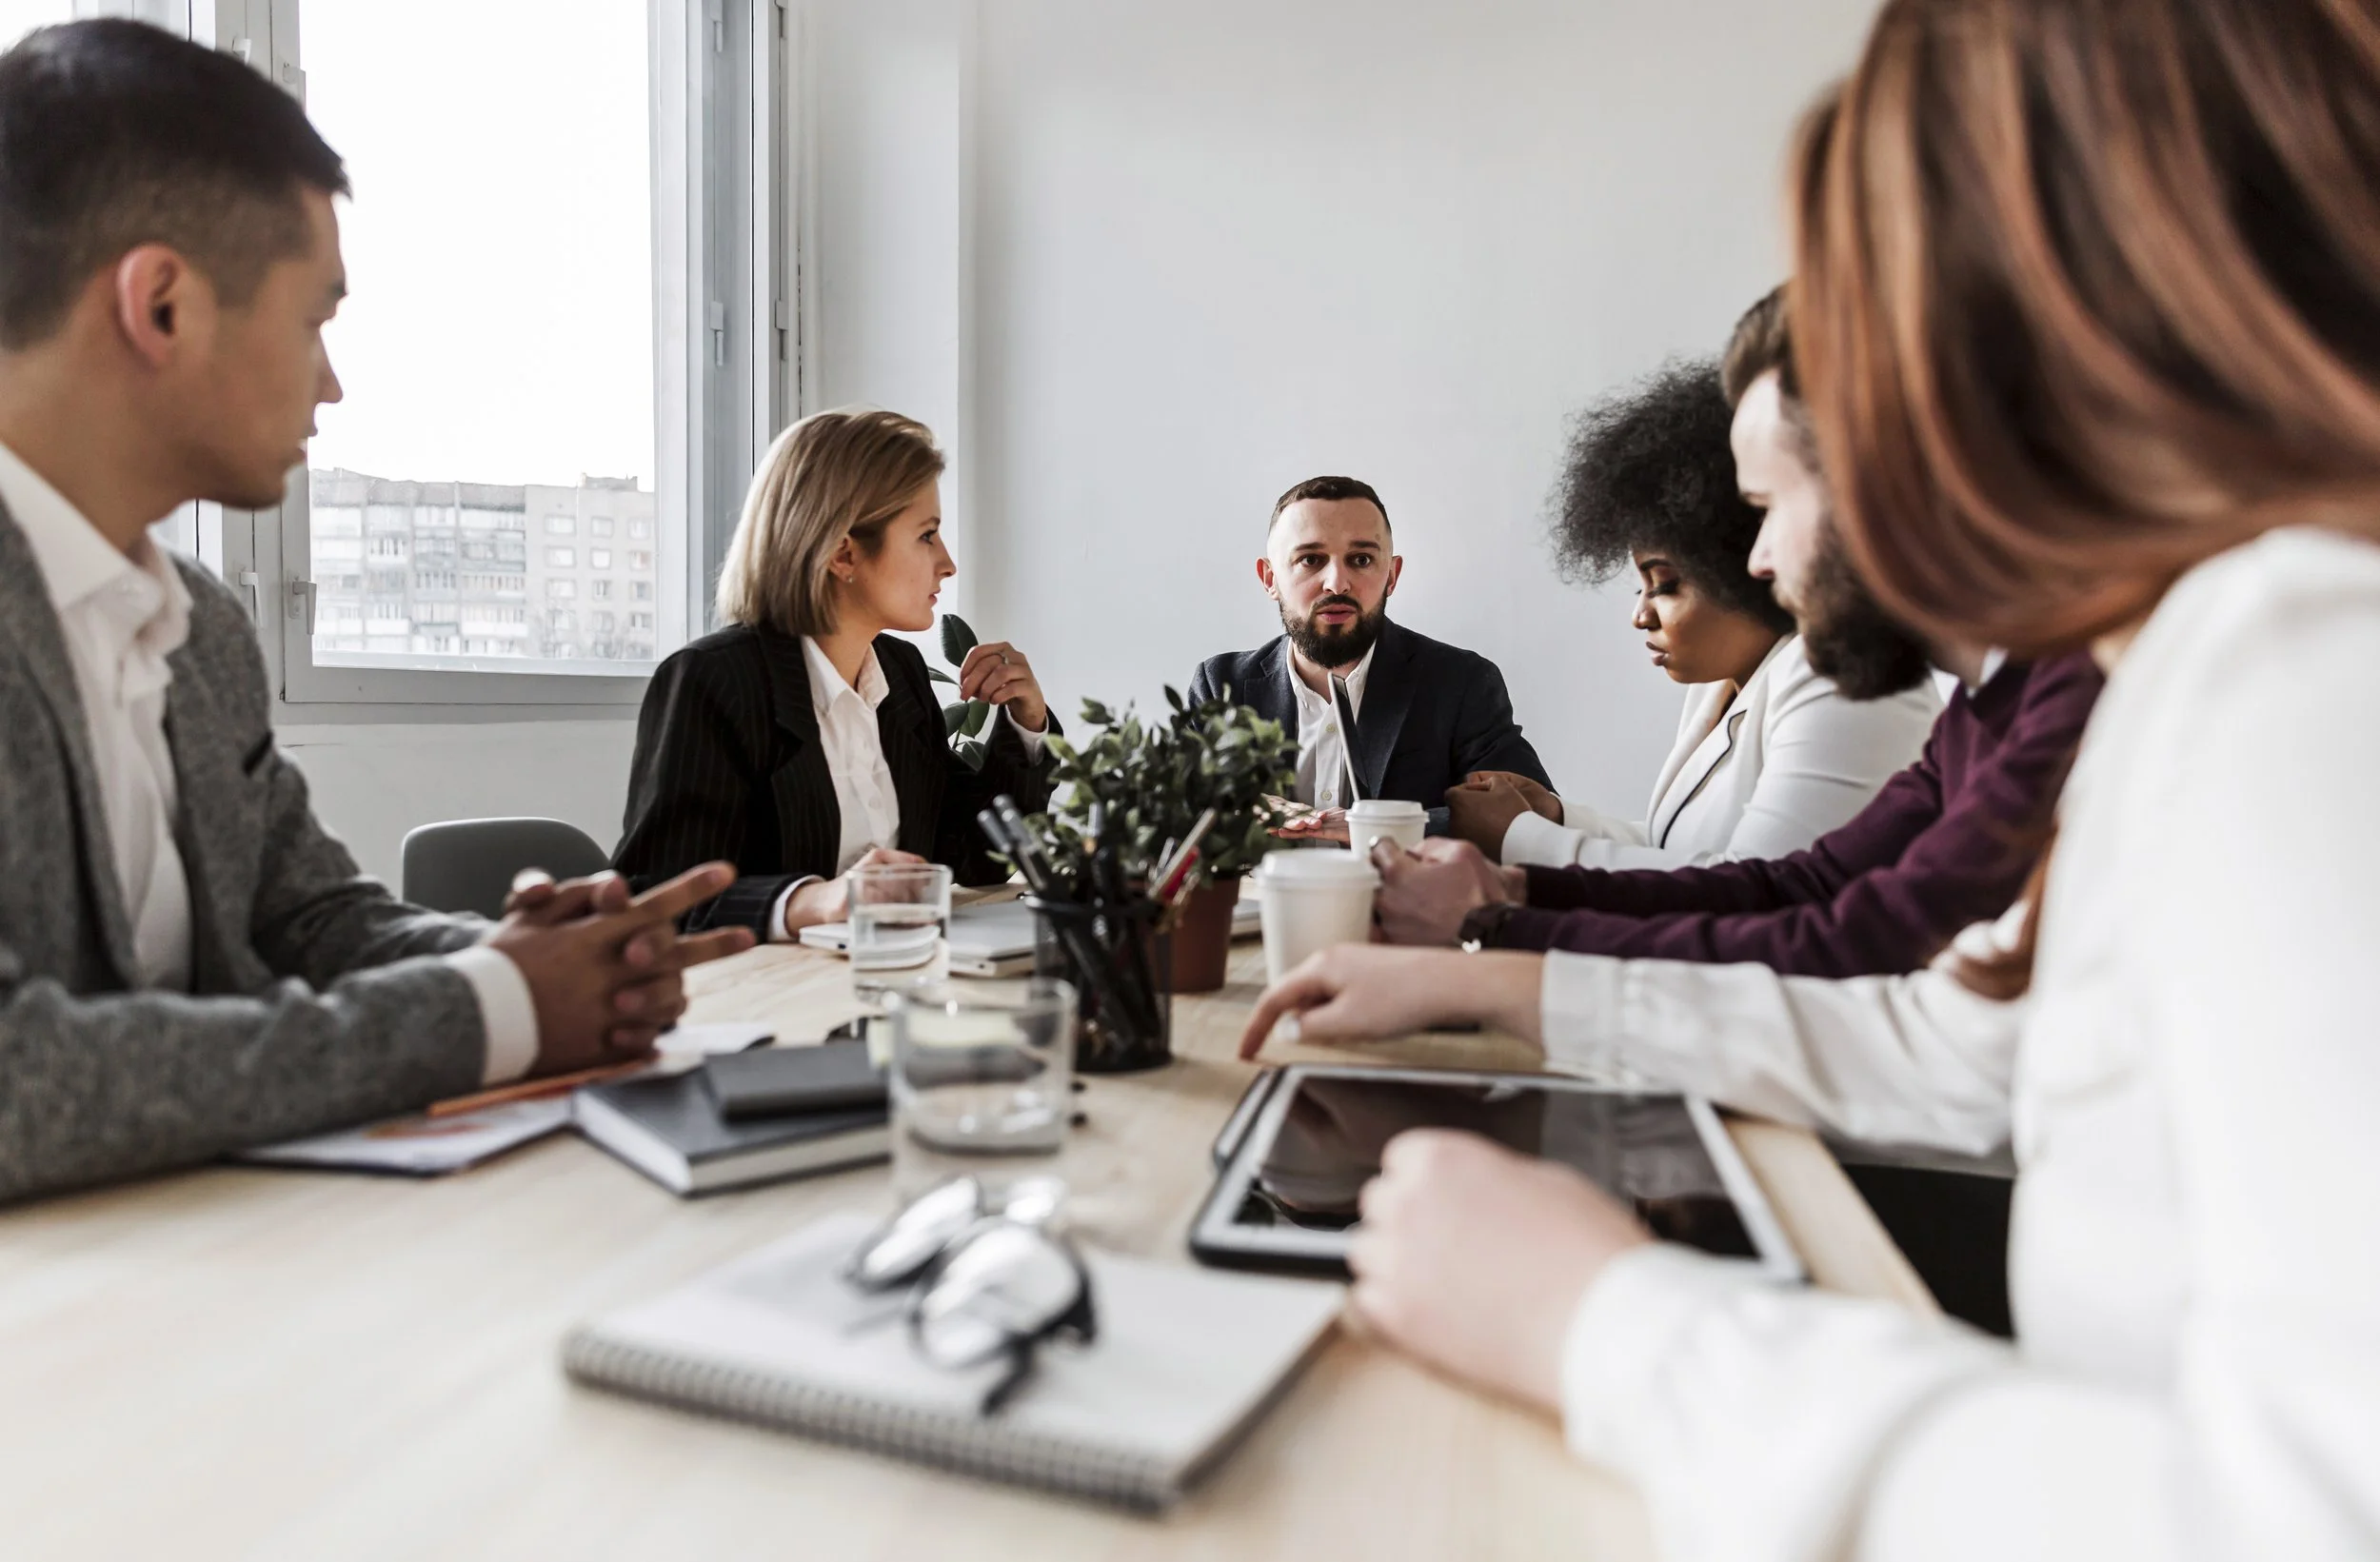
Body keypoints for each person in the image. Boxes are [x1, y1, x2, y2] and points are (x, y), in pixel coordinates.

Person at [1246, 0, 2380, 1552]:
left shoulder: (2298, 658)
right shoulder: (2196, 654)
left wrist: (1610, 1323)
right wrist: (1503, 981)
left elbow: (2304, 1518)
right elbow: (1953, 1039)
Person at [0, 20, 750, 1205]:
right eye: (314, 322)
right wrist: (492, 1006)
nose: (331, 381)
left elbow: (315, 919)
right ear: (162, 307)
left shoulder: (199, 629)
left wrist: (549, 965)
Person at [1375, 288, 2102, 979]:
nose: (1757, 556)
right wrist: (1514, 891)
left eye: (1770, 504)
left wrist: (1501, 918)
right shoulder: (1980, 715)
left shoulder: (2051, 699)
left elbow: (1827, 936)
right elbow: (1793, 889)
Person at [1445, 349, 1936, 872]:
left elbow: (1757, 890)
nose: (1641, 616)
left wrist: (1523, 839)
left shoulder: (1843, 680)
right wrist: (1558, 818)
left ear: (1737, 561)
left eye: (1665, 585)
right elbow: (1681, 855)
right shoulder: (1724, 682)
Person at [614, 408, 1057, 937]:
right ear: (845, 553)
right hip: (772, 1001)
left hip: (895, 982)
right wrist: (813, 901)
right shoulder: (713, 682)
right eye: (927, 535)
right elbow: (657, 899)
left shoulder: (902, 673)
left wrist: (1027, 728)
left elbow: (970, 858)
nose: (947, 562)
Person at [1187, 475, 1552, 839]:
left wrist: (1371, 827)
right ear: (1270, 578)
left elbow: (1531, 813)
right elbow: (1172, 808)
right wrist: (1242, 807)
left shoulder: (1461, 683)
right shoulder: (1220, 686)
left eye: (1360, 559)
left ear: (1391, 575)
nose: (1336, 583)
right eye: (1310, 560)